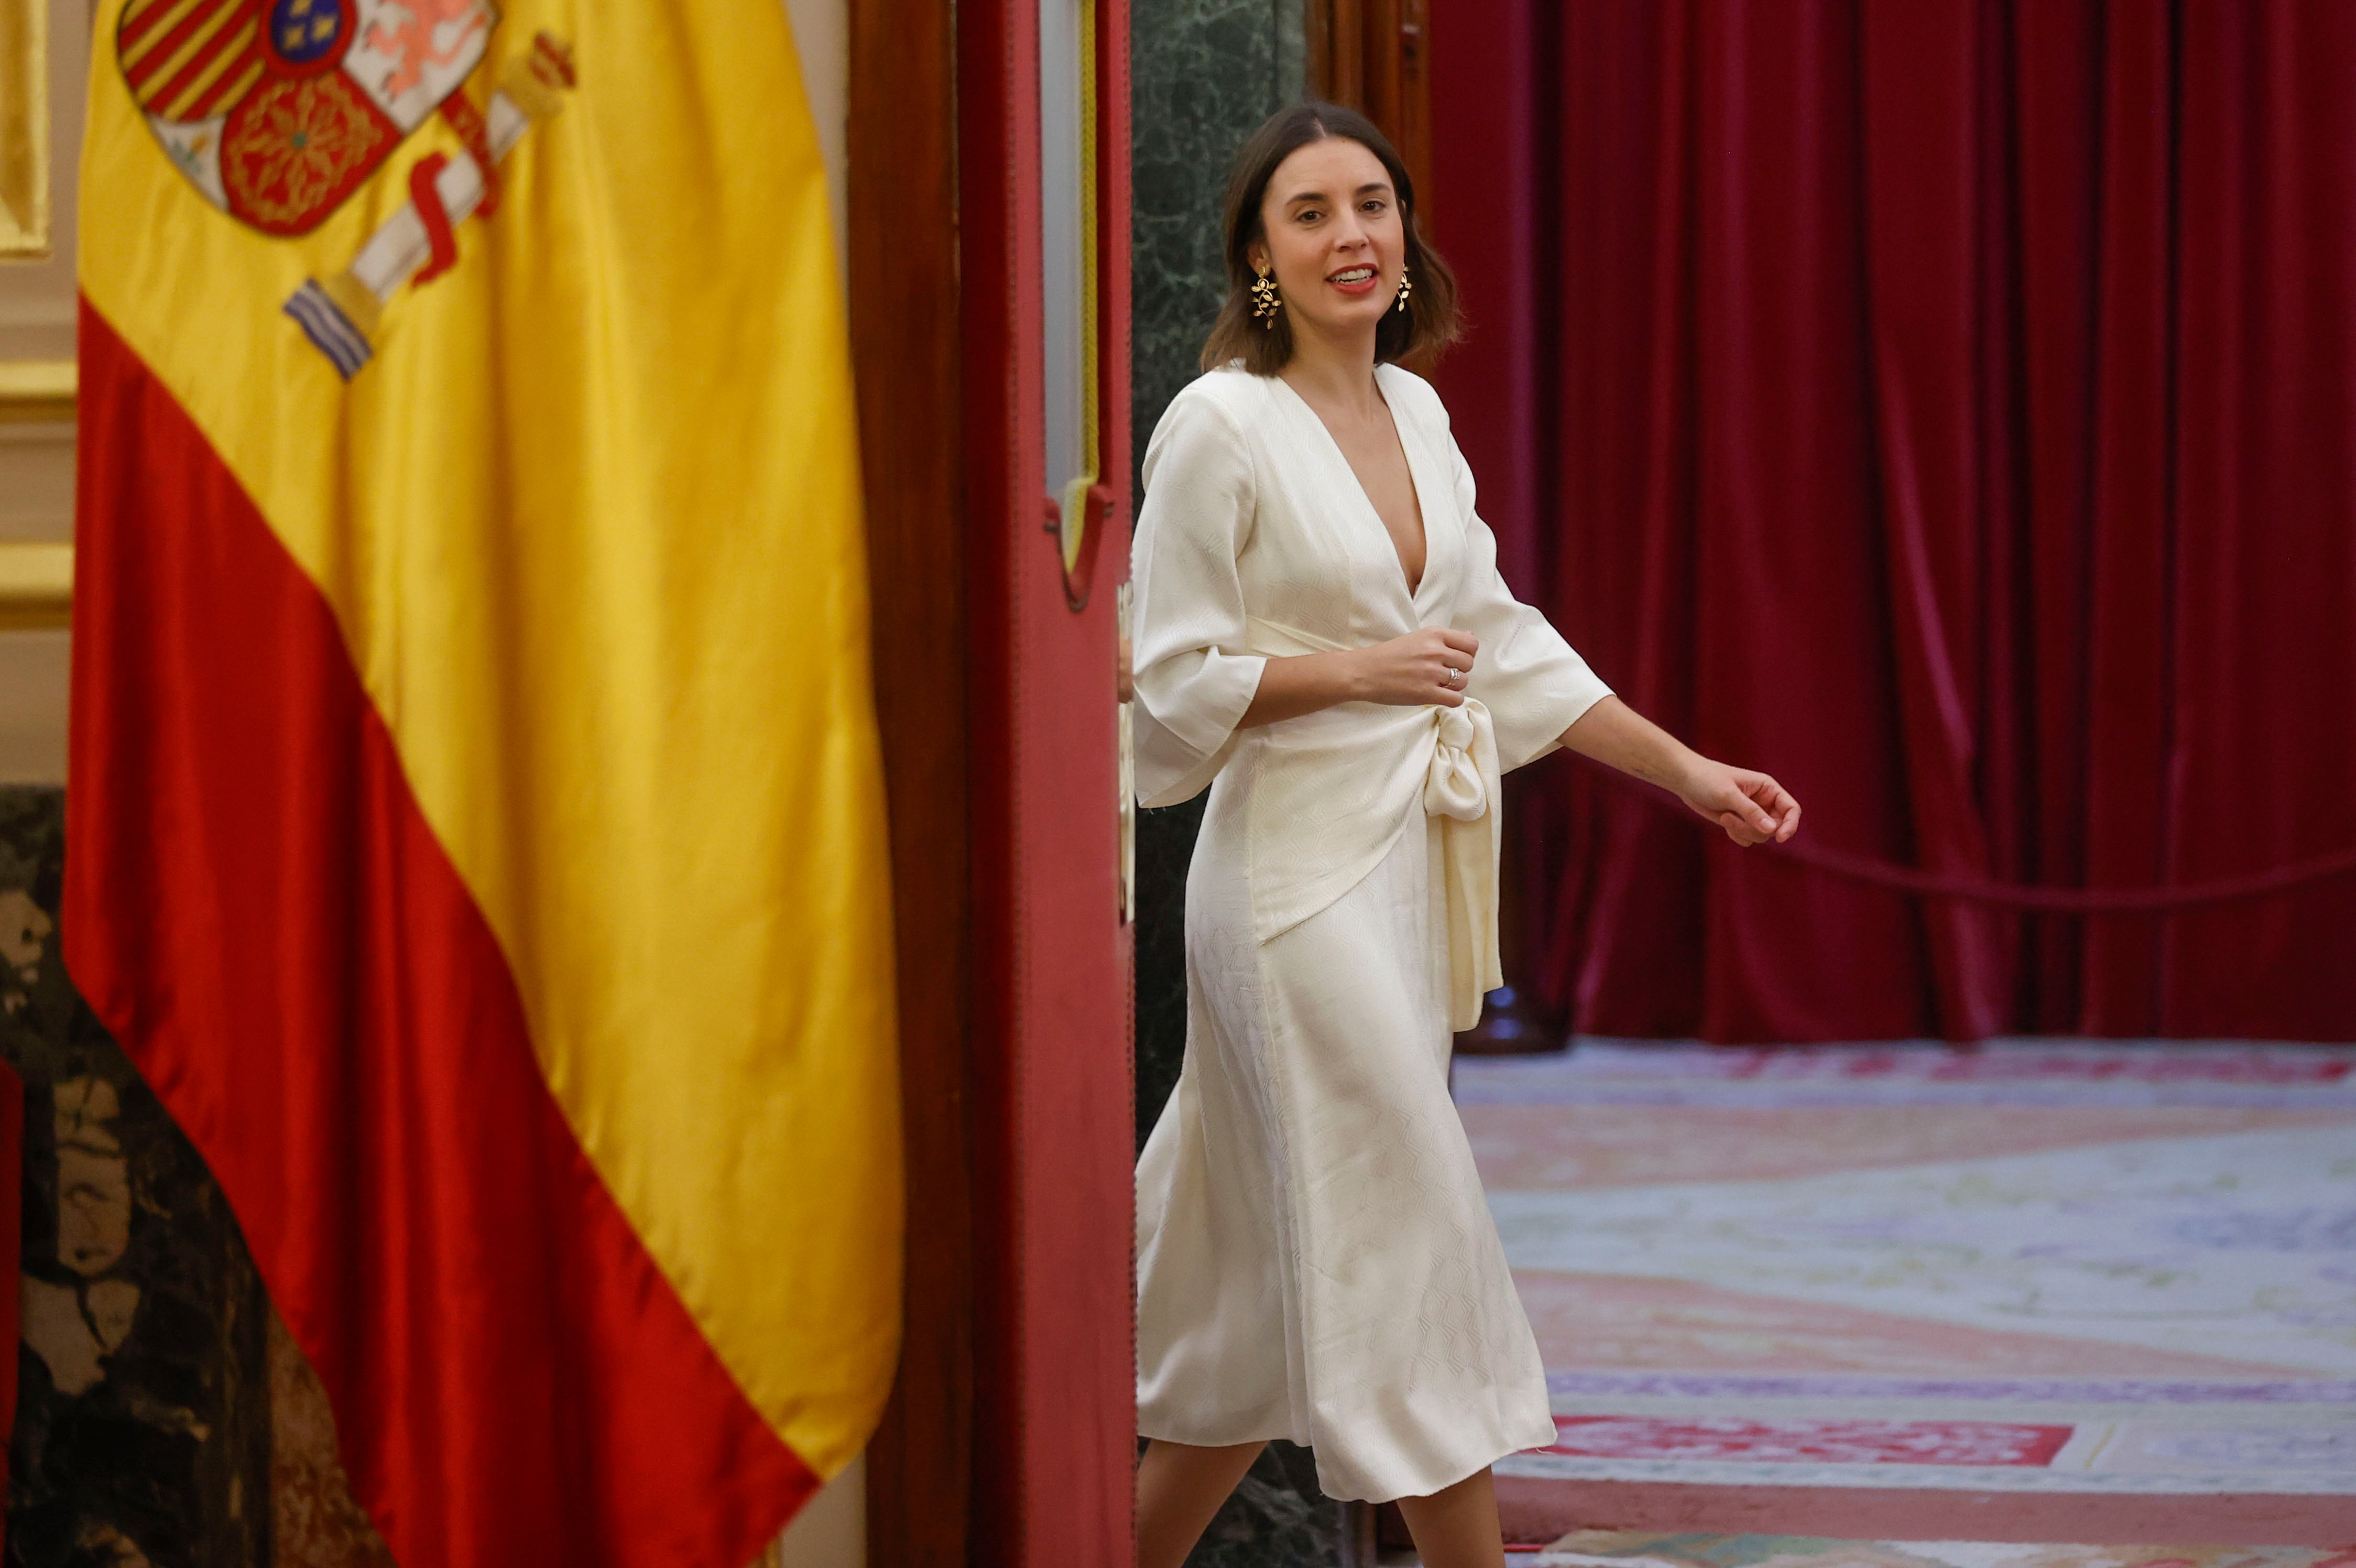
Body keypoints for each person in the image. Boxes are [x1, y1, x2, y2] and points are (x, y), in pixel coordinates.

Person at [1128, 102, 1803, 1568]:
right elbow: (1163, 677)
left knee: (1246, 1304)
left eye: (1370, 204)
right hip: (1286, 890)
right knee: (1413, 1231)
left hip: (1401, 877)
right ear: (1259, 254)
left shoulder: (1418, 413)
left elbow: (1498, 640)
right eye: (1309, 214)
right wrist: (1352, 673)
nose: (1350, 236)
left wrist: (1684, 770)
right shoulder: (1219, 426)